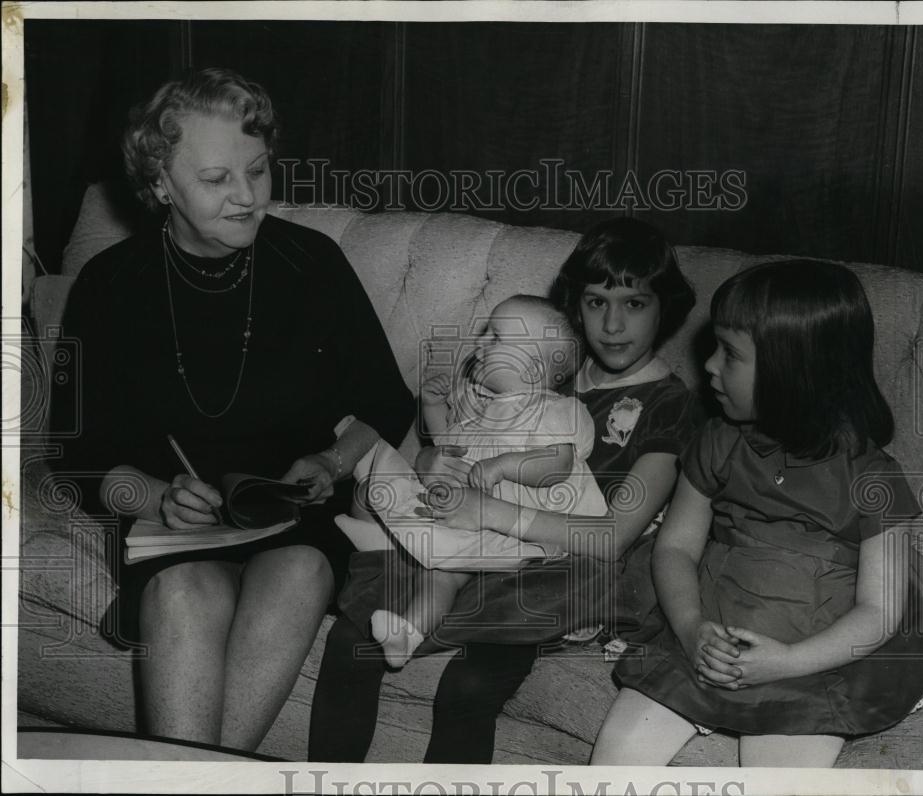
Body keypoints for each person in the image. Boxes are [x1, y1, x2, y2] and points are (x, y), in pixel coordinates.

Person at [53, 68, 413, 751]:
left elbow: (386, 402)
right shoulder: (109, 285)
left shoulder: (313, 263)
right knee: (183, 593)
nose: (248, 196)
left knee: (301, 571)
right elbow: (76, 455)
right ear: (161, 183)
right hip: (173, 528)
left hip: (297, 518)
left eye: (257, 169)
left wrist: (330, 461)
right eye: (217, 178)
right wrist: (157, 496)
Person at [309, 217, 701, 763]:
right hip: (465, 543)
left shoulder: (670, 407)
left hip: (562, 571)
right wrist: (431, 458)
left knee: (469, 685)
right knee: (351, 641)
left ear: (665, 308)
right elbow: (446, 443)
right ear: (574, 305)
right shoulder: (529, 359)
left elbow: (612, 538)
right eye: (596, 302)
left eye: (634, 304)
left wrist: (488, 510)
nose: (612, 325)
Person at [591, 260, 923, 767]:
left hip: (815, 653)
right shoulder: (718, 440)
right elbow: (676, 546)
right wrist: (691, 628)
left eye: (730, 353)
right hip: (709, 625)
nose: (709, 366)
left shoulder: (873, 477)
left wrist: (788, 661)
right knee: (614, 763)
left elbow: (878, 612)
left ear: (794, 372)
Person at [365, 295, 608, 667]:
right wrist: (432, 407)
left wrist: (504, 466)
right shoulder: (480, 410)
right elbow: (450, 453)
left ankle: (390, 551)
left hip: (524, 531)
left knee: (442, 564)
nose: (479, 343)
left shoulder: (555, 409)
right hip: (478, 527)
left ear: (533, 368)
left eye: (495, 338)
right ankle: (407, 634)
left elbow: (557, 465)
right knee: (442, 571)